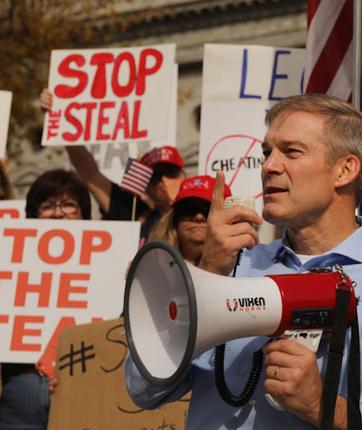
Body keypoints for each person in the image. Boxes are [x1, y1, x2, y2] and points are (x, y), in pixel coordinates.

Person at [125, 94, 362, 429]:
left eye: (291, 152)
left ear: (345, 169)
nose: (269, 166)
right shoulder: (231, 269)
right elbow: (142, 389)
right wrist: (208, 272)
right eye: (267, 152)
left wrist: (323, 406)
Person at [0, 169, 91, 429]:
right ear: (32, 214)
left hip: (80, 390)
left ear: (85, 214)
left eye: (69, 205)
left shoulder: (108, 263)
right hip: (20, 390)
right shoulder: (8, 257)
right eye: (48, 205)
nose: (59, 213)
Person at [39, 89, 186, 241]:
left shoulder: (203, 212)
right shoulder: (133, 212)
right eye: (154, 177)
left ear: (184, 175)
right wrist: (61, 115)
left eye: (171, 173)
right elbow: (89, 172)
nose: (164, 182)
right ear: (146, 187)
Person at [148, 175, 231, 265]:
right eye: (189, 208)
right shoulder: (153, 267)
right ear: (175, 218)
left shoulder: (243, 273)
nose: (199, 217)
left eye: (209, 210)